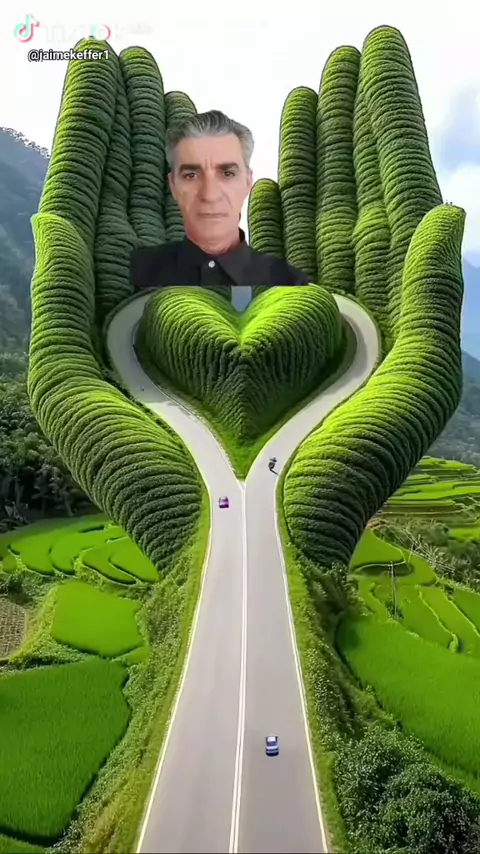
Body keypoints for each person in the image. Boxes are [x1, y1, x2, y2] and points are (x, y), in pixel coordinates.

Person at [130, 110, 309, 291]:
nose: (210, 195)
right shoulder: (135, 274)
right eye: (191, 175)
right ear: (172, 185)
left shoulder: (292, 284)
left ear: (248, 182)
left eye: (227, 174)